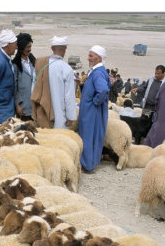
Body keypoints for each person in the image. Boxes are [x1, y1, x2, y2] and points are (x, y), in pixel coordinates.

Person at [31, 36, 77, 129]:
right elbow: (69, 96)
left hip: (42, 113)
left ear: (52, 48)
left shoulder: (40, 64)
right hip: (60, 116)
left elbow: (33, 90)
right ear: (65, 49)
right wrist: (71, 116)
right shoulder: (66, 68)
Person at [78, 45, 110, 173]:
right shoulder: (98, 71)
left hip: (92, 112)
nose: (88, 58)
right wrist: (82, 85)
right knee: (92, 135)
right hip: (92, 110)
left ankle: (88, 164)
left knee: (88, 135)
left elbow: (102, 90)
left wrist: (94, 103)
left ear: (99, 58)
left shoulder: (97, 72)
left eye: (91, 56)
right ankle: (90, 162)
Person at [12, 32, 36, 121]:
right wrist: (17, 105)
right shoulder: (15, 65)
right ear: (21, 48)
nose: (30, 49)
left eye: (30, 47)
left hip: (34, 106)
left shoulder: (33, 61)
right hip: (23, 107)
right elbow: (14, 86)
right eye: (28, 47)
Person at [144, 79, 165, 148]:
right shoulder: (151, 80)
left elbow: (157, 98)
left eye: (158, 73)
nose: (156, 75)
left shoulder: (164, 83)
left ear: (163, 74)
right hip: (149, 106)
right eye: (156, 73)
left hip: (158, 112)